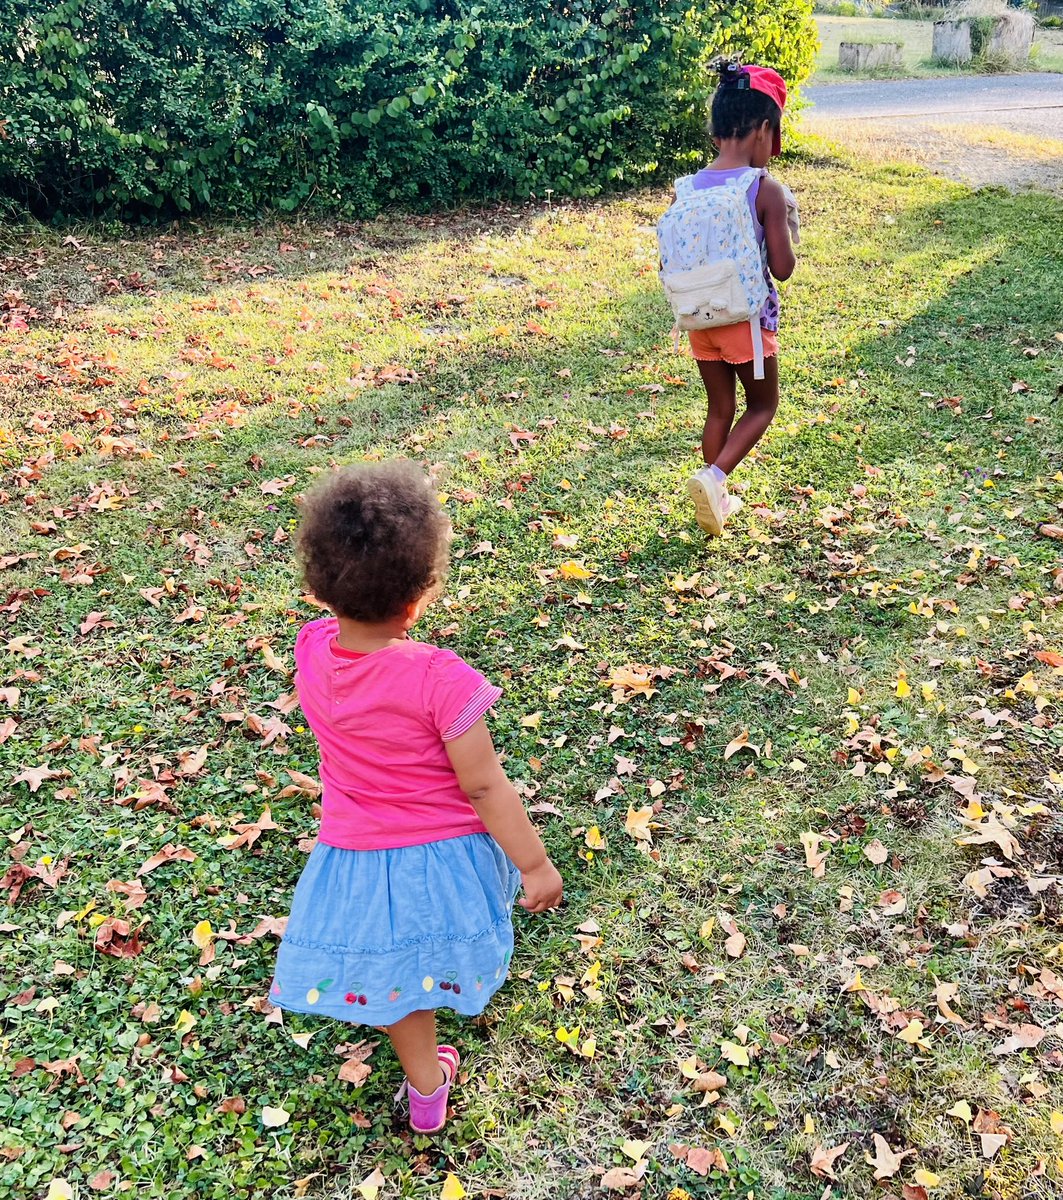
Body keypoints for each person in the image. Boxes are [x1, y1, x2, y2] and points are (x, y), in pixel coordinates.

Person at [269, 460, 563, 1134]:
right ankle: (430, 1082)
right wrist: (534, 864)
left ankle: (426, 1089)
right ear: (420, 594)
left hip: (357, 856)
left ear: (319, 588)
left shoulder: (311, 649)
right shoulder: (441, 680)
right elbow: (483, 783)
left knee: (402, 986)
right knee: (425, 961)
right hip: (441, 858)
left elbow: (333, 645)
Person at [684, 61, 798, 535]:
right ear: (765, 131)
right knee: (763, 407)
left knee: (719, 409)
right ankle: (713, 477)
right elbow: (783, 268)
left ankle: (715, 503)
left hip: (697, 320)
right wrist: (787, 219)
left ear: (715, 133)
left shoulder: (685, 188)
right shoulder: (763, 188)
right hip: (745, 325)